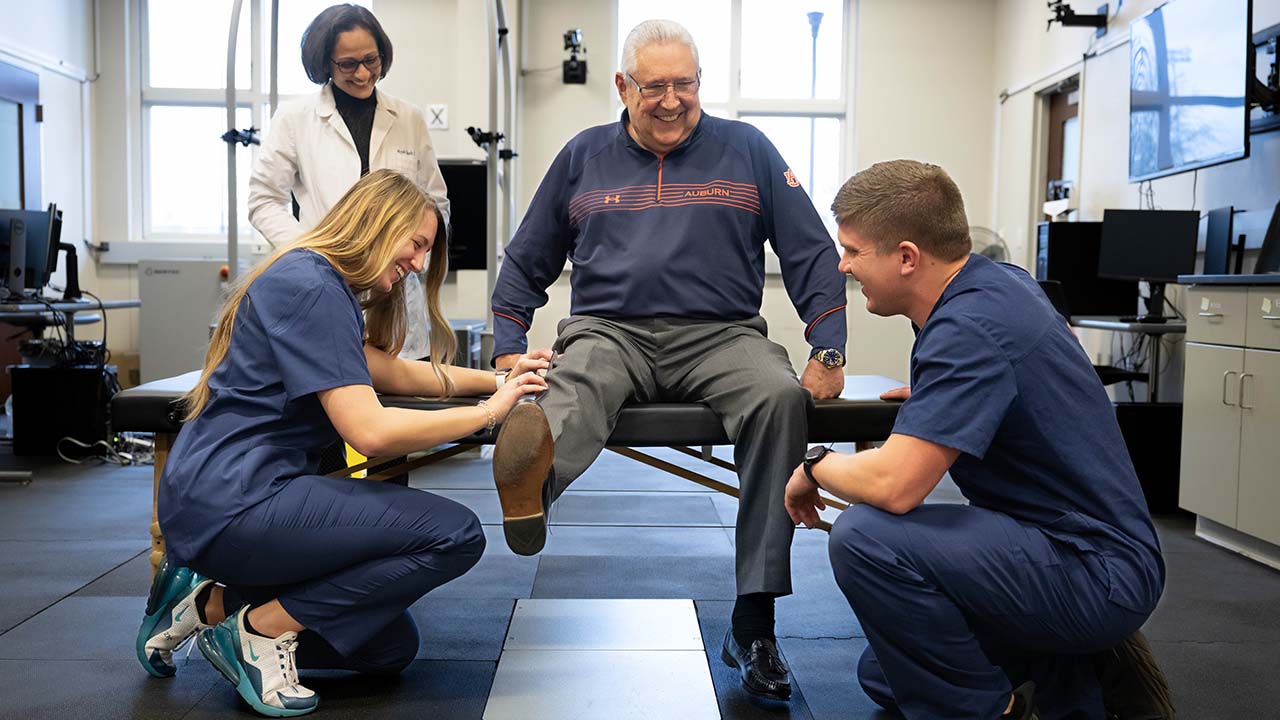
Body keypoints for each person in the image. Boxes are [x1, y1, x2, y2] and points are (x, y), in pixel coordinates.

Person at [488, 19, 848, 702]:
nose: (672, 99)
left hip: (723, 335)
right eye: (654, 86)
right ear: (624, 87)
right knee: (574, 384)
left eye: (685, 84)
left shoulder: (748, 149)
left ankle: (755, 621)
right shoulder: (582, 155)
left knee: (778, 397)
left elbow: (810, 250)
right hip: (607, 329)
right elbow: (528, 256)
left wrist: (827, 346)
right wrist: (509, 347)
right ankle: (529, 489)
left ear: (700, 84)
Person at [135, 170, 552, 717]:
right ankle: (255, 633)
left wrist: (501, 379)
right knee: (454, 535)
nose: (420, 264)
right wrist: (488, 415)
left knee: (389, 648)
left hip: (237, 494)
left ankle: (209, 605)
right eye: (417, 244)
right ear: (380, 223)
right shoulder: (308, 286)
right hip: (233, 499)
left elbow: (393, 373)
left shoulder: (319, 281)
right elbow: (370, 431)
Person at [785, 160, 1173, 719]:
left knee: (865, 537)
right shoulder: (998, 283)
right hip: (1064, 546)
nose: (843, 266)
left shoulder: (968, 329)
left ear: (907, 257)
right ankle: (1077, 668)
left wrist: (814, 465)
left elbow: (896, 487)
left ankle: (1003, 710)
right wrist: (950, 391)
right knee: (886, 675)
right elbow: (1044, 349)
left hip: (1093, 568)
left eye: (852, 251)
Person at [249, 3, 448, 364]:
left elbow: (435, 204)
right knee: (336, 391)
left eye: (371, 60)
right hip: (324, 286)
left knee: (401, 396)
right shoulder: (296, 118)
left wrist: (411, 257)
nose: (362, 73)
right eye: (348, 64)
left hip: (396, 297)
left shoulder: (408, 118)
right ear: (325, 63)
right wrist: (312, 257)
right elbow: (263, 200)